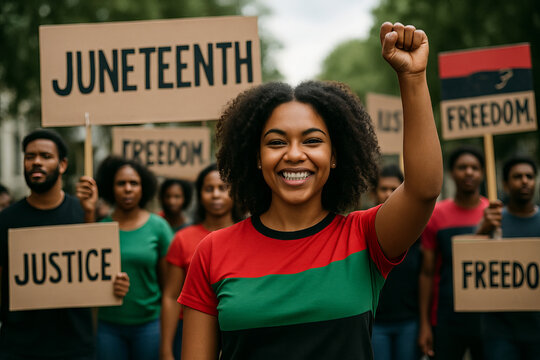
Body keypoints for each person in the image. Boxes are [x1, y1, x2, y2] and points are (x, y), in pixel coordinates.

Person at [179, 22, 442, 359]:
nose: (293, 153)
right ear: (256, 159)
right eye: (276, 142)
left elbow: (423, 189)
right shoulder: (212, 251)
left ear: (335, 157)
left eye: (312, 141)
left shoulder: (365, 238)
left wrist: (414, 78)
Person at [0, 129, 129, 359]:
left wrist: (114, 284)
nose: (36, 162)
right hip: (19, 348)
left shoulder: (84, 212)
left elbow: (96, 272)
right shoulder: (5, 220)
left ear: (62, 164)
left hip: (74, 346)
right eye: (30, 156)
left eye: (45, 156)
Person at [94, 156, 174, 360]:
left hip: (148, 326)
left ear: (143, 187)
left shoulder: (159, 227)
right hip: (107, 328)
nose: (128, 189)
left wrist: (166, 345)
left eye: (134, 183)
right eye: (121, 183)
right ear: (111, 188)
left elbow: (169, 289)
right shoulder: (100, 229)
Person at [160, 163, 242, 360]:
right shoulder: (182, 238)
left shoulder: (250, 236)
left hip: (238, 328)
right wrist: (165, 349)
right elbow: (171, 296)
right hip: (188, 329)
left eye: (222, 188)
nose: (215, 195)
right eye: (208, 189)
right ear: (199, 194)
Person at [418, 146, 488, 359]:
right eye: (462, 167)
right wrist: (424, 325)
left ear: (482, 173)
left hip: (487, 317)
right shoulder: (436, 215)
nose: (469, 172)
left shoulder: (494, 214)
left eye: (474, 168)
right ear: (451, 173)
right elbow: (427, 272)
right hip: (446, 316)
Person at [476, 155, 540, 360]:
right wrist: (482, 232)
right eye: (517, 176)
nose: (524, 181)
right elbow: (467, 264)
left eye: (529, 176)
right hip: (500, 331)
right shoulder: (492, 221)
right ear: (505, 183)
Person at [371, 164, 421, 360]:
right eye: (383, 189)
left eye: (395, 189)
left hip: (409, 321)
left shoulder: (416, 228)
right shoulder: (362, 228)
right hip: (376, 323)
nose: (389, 194)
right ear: (374, 192)